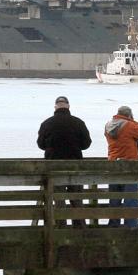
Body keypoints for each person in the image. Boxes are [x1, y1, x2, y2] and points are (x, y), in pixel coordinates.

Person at [37, 95, 92, 227]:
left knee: (58, 197)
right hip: (75, 164)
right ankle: (79, 227)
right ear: (68, 106)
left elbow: (40, 144)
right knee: (76, 197)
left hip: (54, 165)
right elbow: (86, 143)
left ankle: (61, 226)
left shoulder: (47, 123)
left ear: (55, 107)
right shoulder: (78, 123)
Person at [105, 105, 138, 226]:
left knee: (114, 198)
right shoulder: (129, 125)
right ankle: (130, 226)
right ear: (129, 115)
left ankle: (114, 225)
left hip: (113, 163)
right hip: (129, 165)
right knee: (131, 198)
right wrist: (132, 121)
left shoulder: (108, 125)